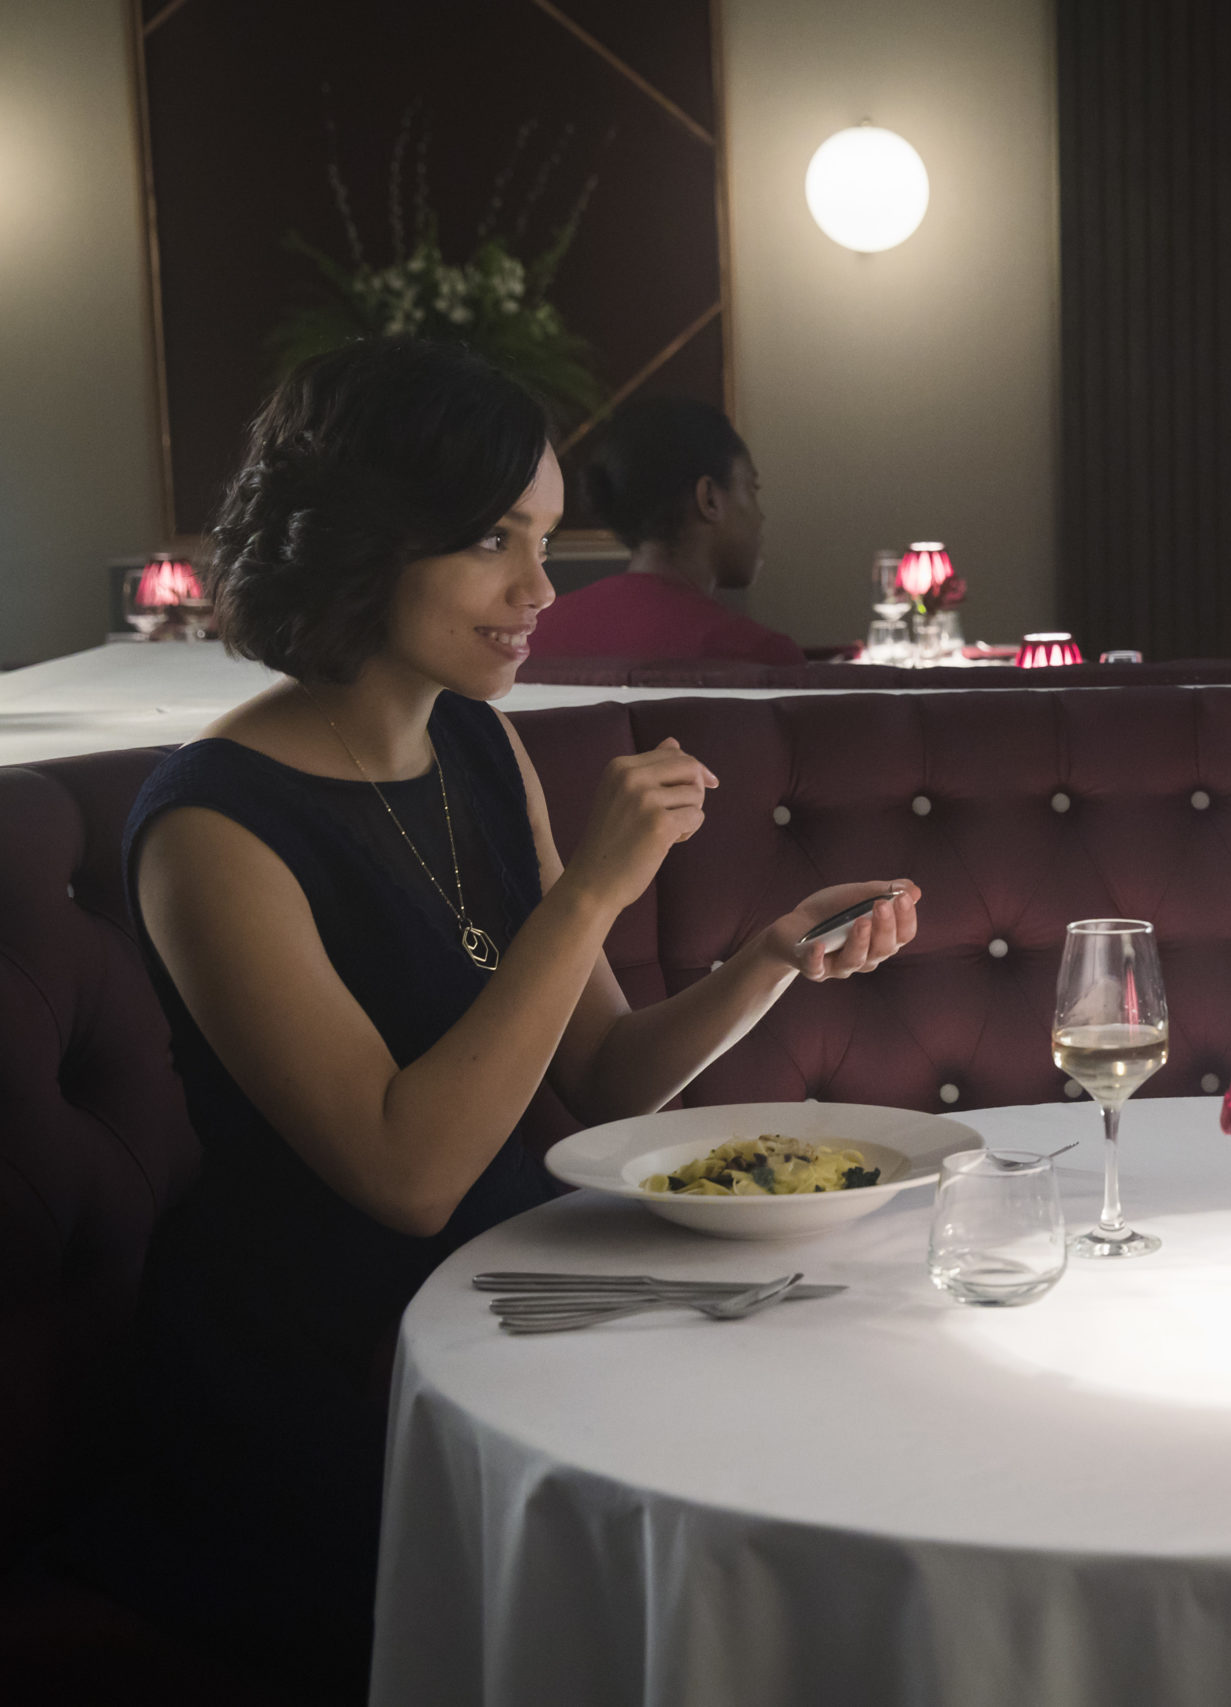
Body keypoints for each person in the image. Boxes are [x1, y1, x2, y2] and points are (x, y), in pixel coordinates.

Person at [92, 341, 920, 1698]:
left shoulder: (479, 747)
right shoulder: (210, 828)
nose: (540, 589)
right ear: (360, 541)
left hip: (508, 1294)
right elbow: (408, 1173)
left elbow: (603, 1077)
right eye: (492, 540)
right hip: (326, 1376)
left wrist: (768, 959)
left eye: (543, 536)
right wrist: (591, 888)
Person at [529, 396, 804, 666]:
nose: (760, 516)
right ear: (709, 498)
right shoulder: (757, 655)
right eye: (752, 489)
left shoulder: (534, 636)